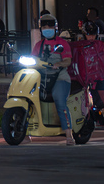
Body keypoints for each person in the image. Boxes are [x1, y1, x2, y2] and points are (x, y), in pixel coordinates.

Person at [33, 14, 75, 145]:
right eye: (44, 27)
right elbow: (33, 59)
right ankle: (25, 132)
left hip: (60, 77)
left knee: (59, 100)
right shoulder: (38, 45)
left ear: (55, 28)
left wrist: (59, 64)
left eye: (49, 27)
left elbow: (67, 60)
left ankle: (69, 134)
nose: (47, 29)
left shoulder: (62, 43)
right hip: (43, 77)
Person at [82, 21, 104, 129]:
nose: (90, 37)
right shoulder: (81, 45)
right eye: (88, 34)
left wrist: (101, 59)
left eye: (92, 34)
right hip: (85, 75)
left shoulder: (102, 45)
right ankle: (85, 122)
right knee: (83, 98)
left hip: (99, 75)